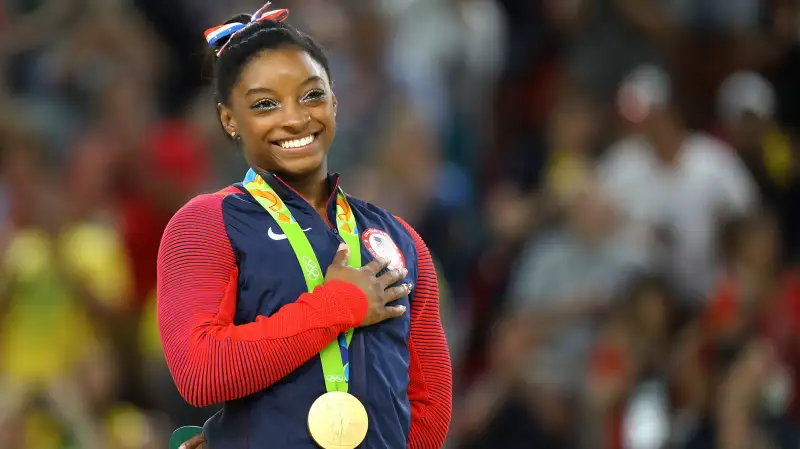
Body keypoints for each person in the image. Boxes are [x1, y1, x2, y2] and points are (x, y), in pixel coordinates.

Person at [156, 3, 453, 449]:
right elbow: (200, 372)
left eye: (311, 95)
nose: (295, 118)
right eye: (265, 104)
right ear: (229, 120)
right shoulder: (205, 223)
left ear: (335, 99)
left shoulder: (399, 238)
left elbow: (428, 406)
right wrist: (335, 306)